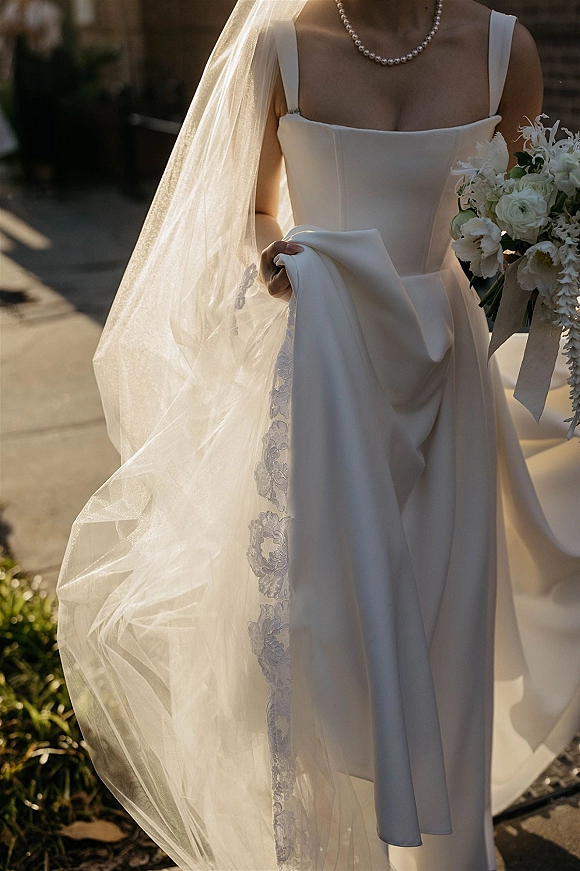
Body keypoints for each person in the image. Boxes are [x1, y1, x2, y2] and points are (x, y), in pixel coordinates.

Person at [56, 2, 580, 870]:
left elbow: (522, 228)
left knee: (445, 609)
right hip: (328, 368)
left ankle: (447, 851)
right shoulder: (283, 47)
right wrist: (275, 261)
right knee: (326, 625)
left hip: (445, 367)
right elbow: (254, 213)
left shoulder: (503, 49)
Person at [0, 0, 65, 194]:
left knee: (44, 127)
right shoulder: (11, 9)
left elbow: (52, 44)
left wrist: (28, 31)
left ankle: (49, 180)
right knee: (25, 125)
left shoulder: (47, 10)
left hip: (40, 79)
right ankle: (32, 178)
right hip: (20, 78)